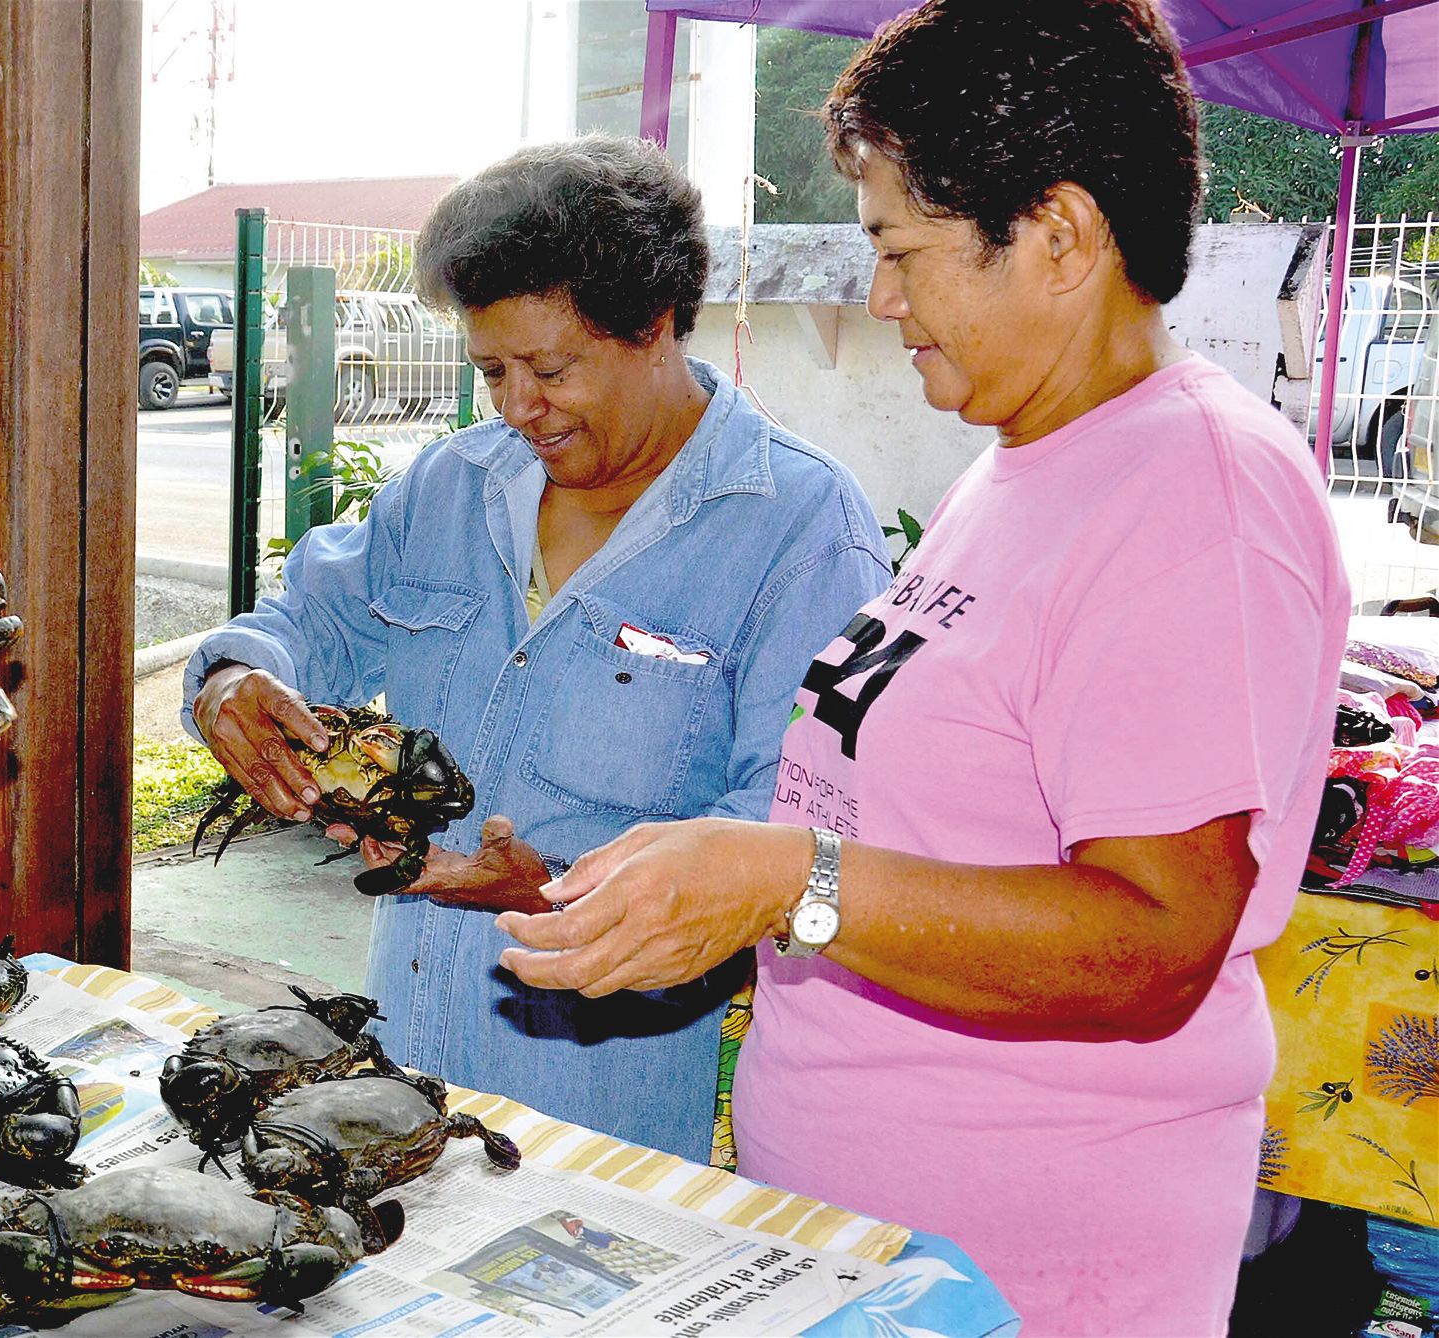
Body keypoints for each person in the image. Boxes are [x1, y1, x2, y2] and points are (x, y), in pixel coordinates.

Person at [499, 5, 1348, 1333]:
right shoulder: (1026, 465)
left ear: (1056, 235)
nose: (880, 296)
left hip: (1036, 1271)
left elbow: (1151, 940)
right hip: (892, 1247)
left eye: (901, 248)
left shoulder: (1196, 494)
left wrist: (786, 881)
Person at [183, 135, 889, 1162]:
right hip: (397, 1085)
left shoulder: (800, 529)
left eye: (549, 370)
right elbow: (311, 619)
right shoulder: (450, 487)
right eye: (490, 371)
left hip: (597, 1122)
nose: (516, 408)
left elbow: (793, 837)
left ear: (650, 326)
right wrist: (238, 676)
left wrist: (560, 889)